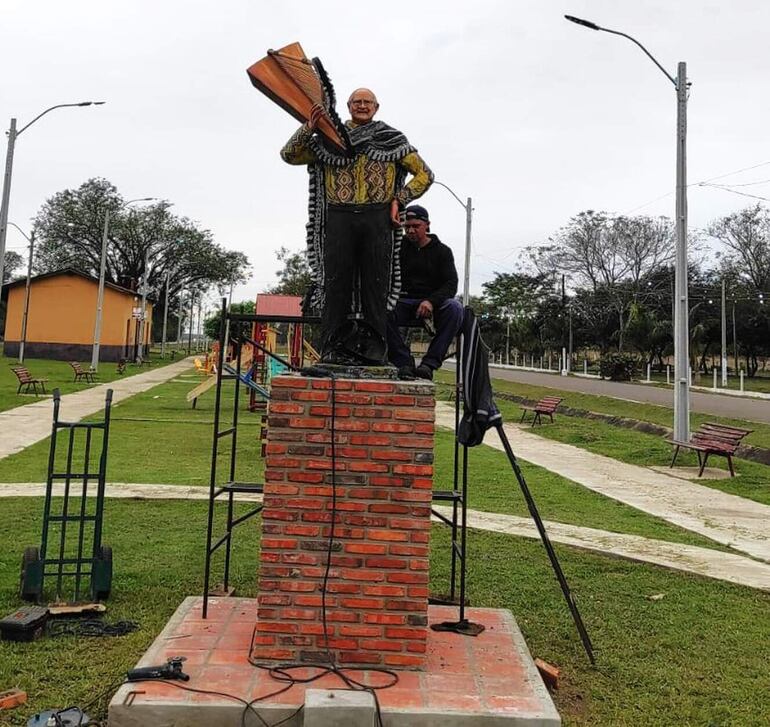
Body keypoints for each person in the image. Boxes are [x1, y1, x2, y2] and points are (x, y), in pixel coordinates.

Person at [280, 88, 433, 365]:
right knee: (335, 282)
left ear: (376, 107)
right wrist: (310, 126)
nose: (362, 106)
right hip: (339, 217)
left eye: (367, 102)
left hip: (378, 218)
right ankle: (331, 349)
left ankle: (375, 349)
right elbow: (289, 154)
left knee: (377, 283)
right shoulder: (328, 136)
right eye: (357, 102)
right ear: (349, 106)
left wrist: (400, 199)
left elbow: (425, 174)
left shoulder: (392, 139)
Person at [386, 205, 464, 380]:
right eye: (407, 227)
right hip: (404, 301)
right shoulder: (397, 248)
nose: (411, 230)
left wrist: (431, 301)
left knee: (455, 308)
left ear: (427, 225)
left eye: (415, 226)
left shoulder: (442, 251)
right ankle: (403, 362)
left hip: (432, 304)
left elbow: (451, 284)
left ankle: (429, 364)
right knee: (381, 310)